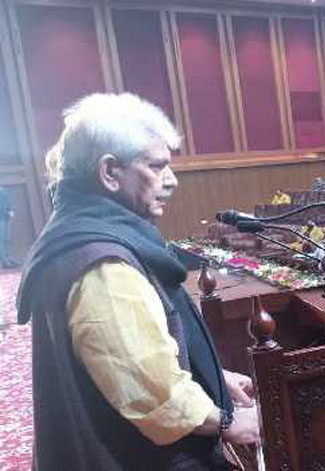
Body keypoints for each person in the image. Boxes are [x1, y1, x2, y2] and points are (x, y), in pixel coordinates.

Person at [15, 94, 260, 470]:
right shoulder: (104, 264)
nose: (172, 180)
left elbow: (131, 354)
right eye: (156, 166)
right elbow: (149, 394)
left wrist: (211, 376)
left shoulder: (78, 232)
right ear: (110, 172)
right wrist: (227, 422)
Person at [0, 185, 20, 268]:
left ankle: (8, 258)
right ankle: (4, 261)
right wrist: (6, 212)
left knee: (7, 239)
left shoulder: (3, 191)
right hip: (1, 218)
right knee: (1, 240)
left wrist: (10, 210)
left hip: (6, 218)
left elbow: (7, 202)